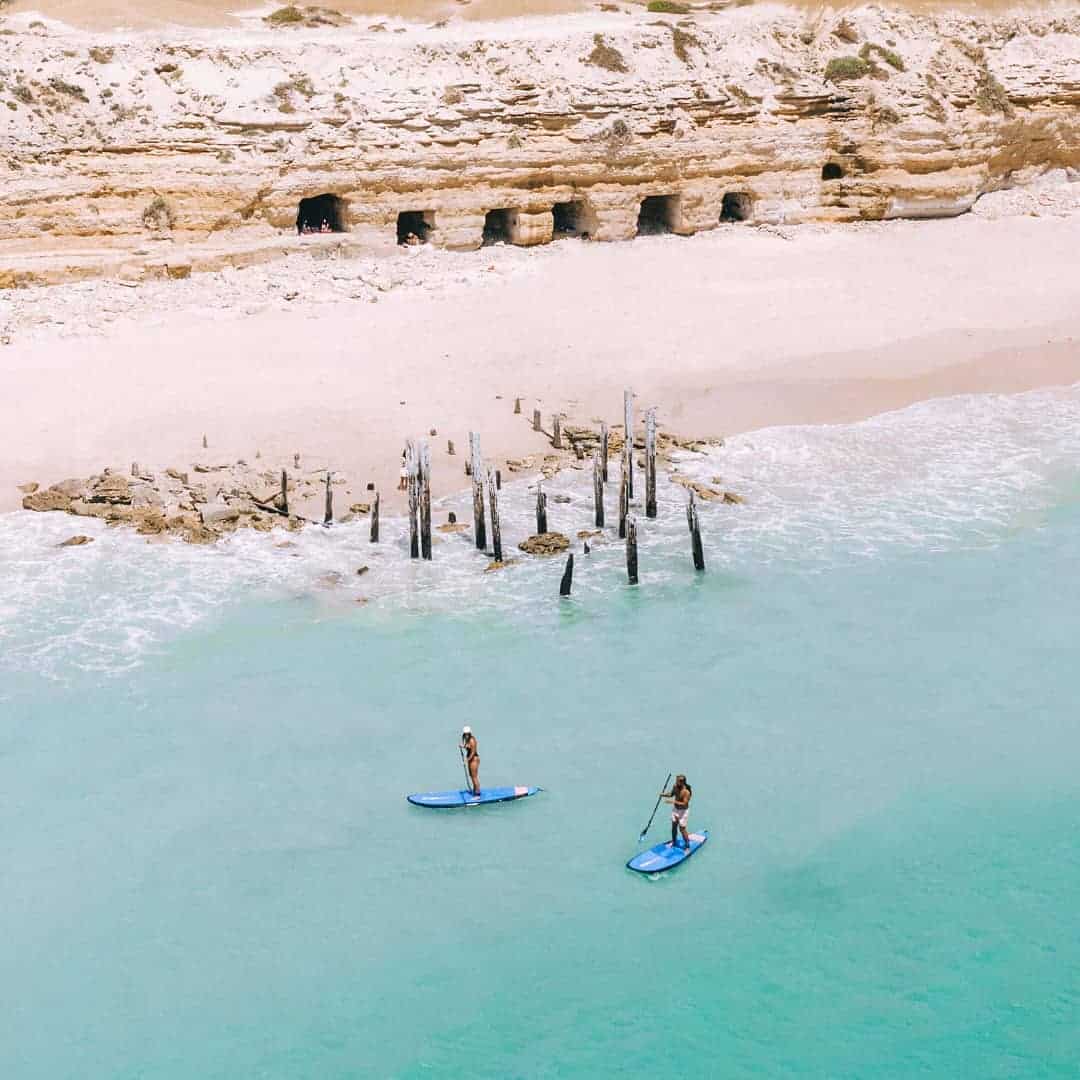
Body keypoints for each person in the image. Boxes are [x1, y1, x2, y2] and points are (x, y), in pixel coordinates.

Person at [661, 774, 692, 850]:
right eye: (676, 780)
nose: (676, 782)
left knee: (682, 828)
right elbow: (671, 794)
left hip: (683, 811)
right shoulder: (675, 786)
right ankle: (674, 842)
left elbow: (685, 803)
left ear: (682, 782)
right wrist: (663, 794)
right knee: (674, 826)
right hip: (675, 810)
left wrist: (672, 802)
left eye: (677, 781)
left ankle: (687, 846)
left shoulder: (686, 792)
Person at [460, 725, 480, 797]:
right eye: (465, 734)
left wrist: (467, 760)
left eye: (467, 733)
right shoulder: (466, 739)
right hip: (470, 759)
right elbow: (468, 747)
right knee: (471, 776)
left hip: (474, 759)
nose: (466, 735)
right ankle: (474, 791)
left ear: (470, 733)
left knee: (474, 777)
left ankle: (478, 794)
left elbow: (473, 752)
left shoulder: (472, 740)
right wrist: (463, 746)